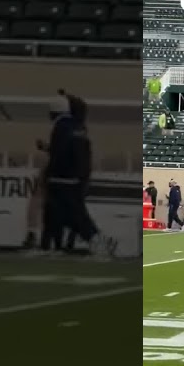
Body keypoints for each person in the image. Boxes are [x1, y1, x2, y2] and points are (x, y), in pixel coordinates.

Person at [40, 93, 115, 259]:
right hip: (78, 178)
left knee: (68, 214)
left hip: (62, 179)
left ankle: (97, 242)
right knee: (69, 213)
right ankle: (54, 246)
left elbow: (59, 154)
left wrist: (49, 174)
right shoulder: (79, 127)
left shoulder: (60, 127)